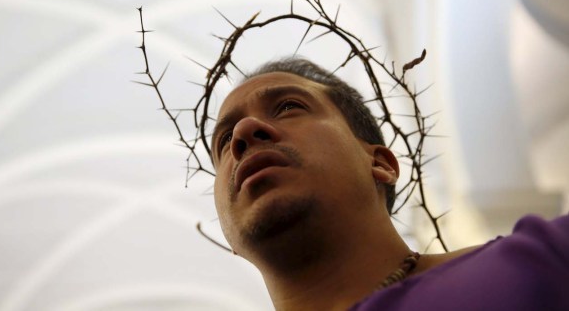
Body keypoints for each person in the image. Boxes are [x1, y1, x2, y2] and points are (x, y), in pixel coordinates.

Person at [210, 58, 569, 310]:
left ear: (380, 163)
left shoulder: (544, 264)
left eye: (289, 106)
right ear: (229, 236)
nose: (243, 134)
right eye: (224, 141)